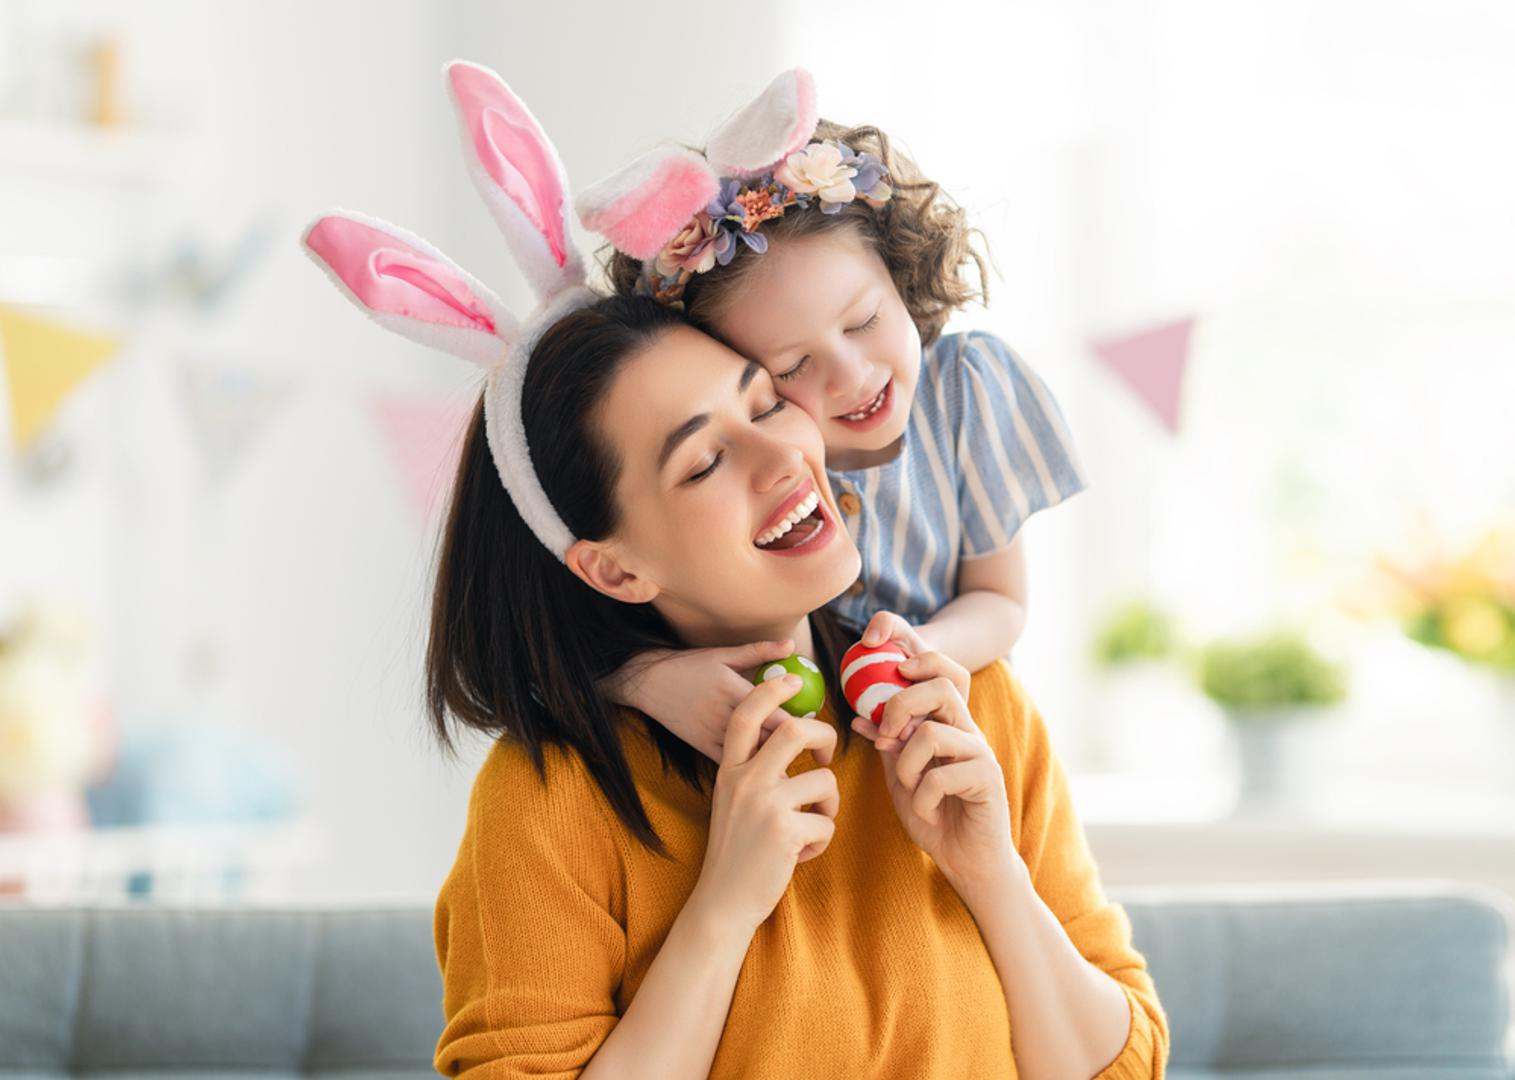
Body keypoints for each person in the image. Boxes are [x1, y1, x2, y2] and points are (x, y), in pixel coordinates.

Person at [303, 61, 1167, 1079]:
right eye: (705, 458)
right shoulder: (551, 803)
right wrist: (722, 909)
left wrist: (990, 875)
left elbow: (1123, 1065)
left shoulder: (973, 715)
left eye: (764, 403)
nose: (784, 454)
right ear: (612, 569)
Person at [580, 68, 1091, 764]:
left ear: (901, 274)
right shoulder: (734, 488)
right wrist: (647, 679)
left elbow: (1000, 603)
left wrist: (916, 655)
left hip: (933, 725)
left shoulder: (964, 396)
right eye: (789, 370)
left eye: (863, 320)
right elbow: (574, 641)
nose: (852, 377)